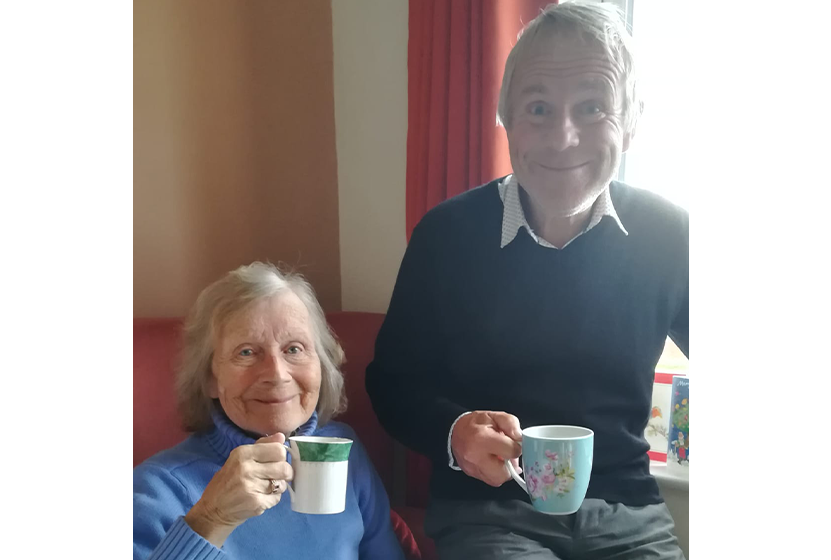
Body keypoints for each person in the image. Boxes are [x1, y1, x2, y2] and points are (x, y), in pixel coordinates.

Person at [365, 2, 688, 559]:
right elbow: (392, 383)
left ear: (631, 123)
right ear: (506, 118)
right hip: (487, 513)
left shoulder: (669, 236)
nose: (563, 138)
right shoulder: (446, 234)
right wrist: (455, 433)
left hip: (628, 512)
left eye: (592, 108)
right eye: (538, 108)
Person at [134, 262, 405, 560]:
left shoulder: (344, 450)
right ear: (209, 378)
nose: (276, 374)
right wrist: (211, 520)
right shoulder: (159, 488)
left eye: (294, 349)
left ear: (321, 366)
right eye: (246, 352)